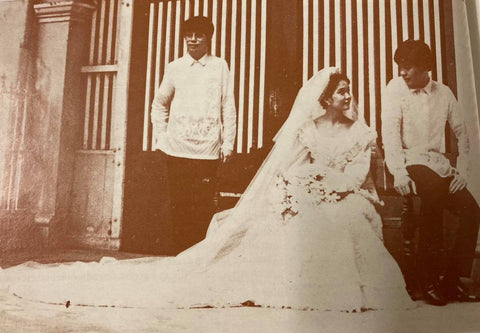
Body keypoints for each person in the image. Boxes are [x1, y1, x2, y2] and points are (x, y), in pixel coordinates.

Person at [1, 68, 415, 311]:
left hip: (347, 196)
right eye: (341, 91)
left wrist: (331, 186)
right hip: (311, 194)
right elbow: (288, 170)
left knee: (344, 218)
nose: (348, 96)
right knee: (301, 217)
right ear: (324, 100)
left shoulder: (361, 132)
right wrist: (305, 185)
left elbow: (360, 173)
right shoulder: (306, 131)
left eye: (348, 91)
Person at [382, 39, 480, 306]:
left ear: (426, 67)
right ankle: (426, 280)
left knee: (472, 209)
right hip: (409, 162)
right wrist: (399, 173)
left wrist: (463, 172)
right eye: (400, 66)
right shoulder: (394, 90)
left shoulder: (444, 93)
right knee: (435, 191)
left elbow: (464, 136)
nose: (402, 73)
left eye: (407, 67)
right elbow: (390, 136)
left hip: (437, 165)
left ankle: (451, 280)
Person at [151, 16, 237, 250]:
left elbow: (227, 105)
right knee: (179, 205)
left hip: (207, 151)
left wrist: (228, 143)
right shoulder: (175, 67)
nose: (193, 39)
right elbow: (159, 104)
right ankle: (180, 257)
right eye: (189, 34)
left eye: (199, 34)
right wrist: (162, 137)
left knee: (203, 207)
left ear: (209, 38)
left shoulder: (220, 66)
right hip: (177, 150)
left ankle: (199, 258)